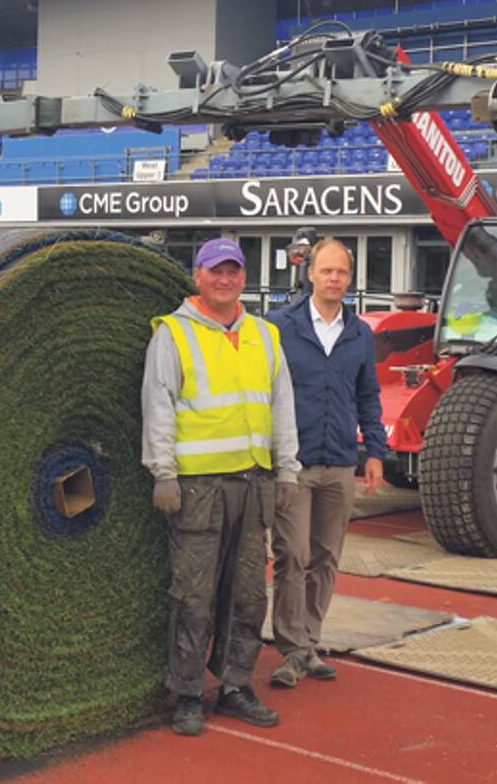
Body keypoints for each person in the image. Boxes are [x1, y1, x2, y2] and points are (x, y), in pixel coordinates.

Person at [142, 238, 300, 737]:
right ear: (198, 277)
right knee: (193, 595)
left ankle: (235, 686)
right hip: (199, 489)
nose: (225, 279)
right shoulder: (173, 334)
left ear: (243, 277)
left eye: (232, 270)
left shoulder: (265, 336)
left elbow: (282, 407)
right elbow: (159, 406)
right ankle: (187, 693)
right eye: (215, 271)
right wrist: (162, 472)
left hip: (255, 484)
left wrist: (288, 470)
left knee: (250, 596)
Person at [265, 238, 389, 688]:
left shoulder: (360, 334)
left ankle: (310, 643)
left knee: (325, 558)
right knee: (291, 555)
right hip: (292, 465)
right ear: (311, 274)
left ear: (349, 279)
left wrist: (375, 451)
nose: (334, 279)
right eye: (326, 271)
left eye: (342, 272)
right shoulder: (279, 327)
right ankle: (291, 648)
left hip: (339, 462)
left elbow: (368, 396)